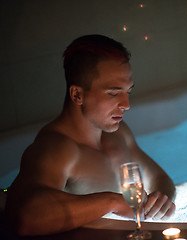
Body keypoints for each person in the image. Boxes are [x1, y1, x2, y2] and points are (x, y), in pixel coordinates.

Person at [4, 34, 176, 236]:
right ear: (77, 95)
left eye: (127, 91)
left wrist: (162, 199)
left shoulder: (119, 133)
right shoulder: (56, 148)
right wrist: (111, 201)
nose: (126, 105)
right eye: (113, 93)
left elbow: (158, 177)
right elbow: (24, 219)